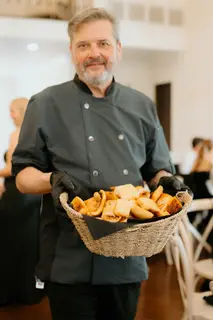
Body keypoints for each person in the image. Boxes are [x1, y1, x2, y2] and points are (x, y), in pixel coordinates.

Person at [12, 8, 190, 320]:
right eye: (83, 45)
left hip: (127, 255)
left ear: (118, 49)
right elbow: (23, 176)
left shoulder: (142, 105)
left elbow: (157, 168)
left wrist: (166, 182)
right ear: (72, 51)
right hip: (68, 256)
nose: (94, 53)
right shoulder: (45, 103)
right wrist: (50, 180)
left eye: (103, 44)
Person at [0, 98, 43, 306]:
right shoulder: (37, 133)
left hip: (17, 195)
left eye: (12, 111)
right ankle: (30, 291)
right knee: (29, 243)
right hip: (33, 196)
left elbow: (12, 169)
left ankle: (12, 293)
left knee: (10, 244)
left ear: (20, 111)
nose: (10, 115)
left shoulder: (17, 134)